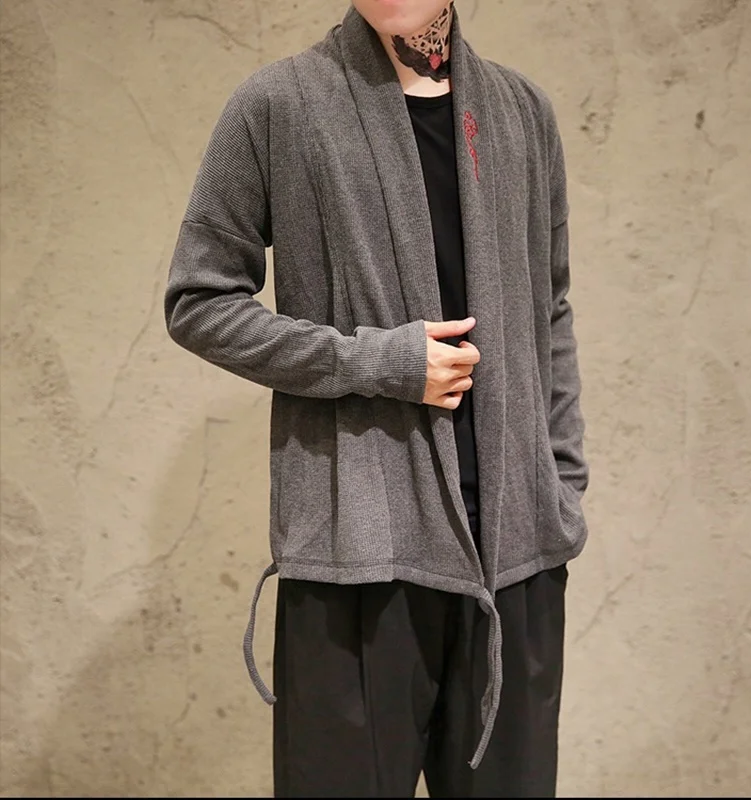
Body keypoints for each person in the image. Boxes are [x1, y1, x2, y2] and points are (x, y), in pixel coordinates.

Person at [164, 1, 589, 796]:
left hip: (518, 557)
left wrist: (560, 482)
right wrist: (376, 361)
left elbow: (551, 308)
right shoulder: (280, 104)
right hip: (359, 560)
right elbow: (199, 302)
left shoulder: (522, 113)